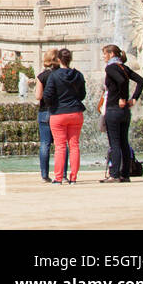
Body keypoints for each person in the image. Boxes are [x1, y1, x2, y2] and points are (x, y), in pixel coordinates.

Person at [101, 44, 143, 184]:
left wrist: (122, 98)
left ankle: (114, 174)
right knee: (124, 143)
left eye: (104, 54)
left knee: (114, 143)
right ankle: (125, 174)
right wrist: (134, 98)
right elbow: (140, 81)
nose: (103, 57)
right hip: (125, 111)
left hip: (114, 109)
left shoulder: (111, 67)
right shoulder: (123, 67)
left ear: (111, 54)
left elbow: (121, 81)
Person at [42, 47, 86, 185]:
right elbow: (82, 94)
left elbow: (47, 95)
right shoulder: (78, 75)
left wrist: (53, 104)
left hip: (58, 113)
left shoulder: (54, 75)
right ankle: (73, 177)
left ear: (59, 60)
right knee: (74, 145)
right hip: (75, 112)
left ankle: (59, 177)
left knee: (60, 146)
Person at [34, 48, 67, 183]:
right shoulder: (62, 74)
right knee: (61, 144)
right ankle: (63, 174)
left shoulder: (42, 76)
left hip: (44, 112)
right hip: (59, 110)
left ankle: (44, 175)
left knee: (45, 144)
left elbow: (38, 96)